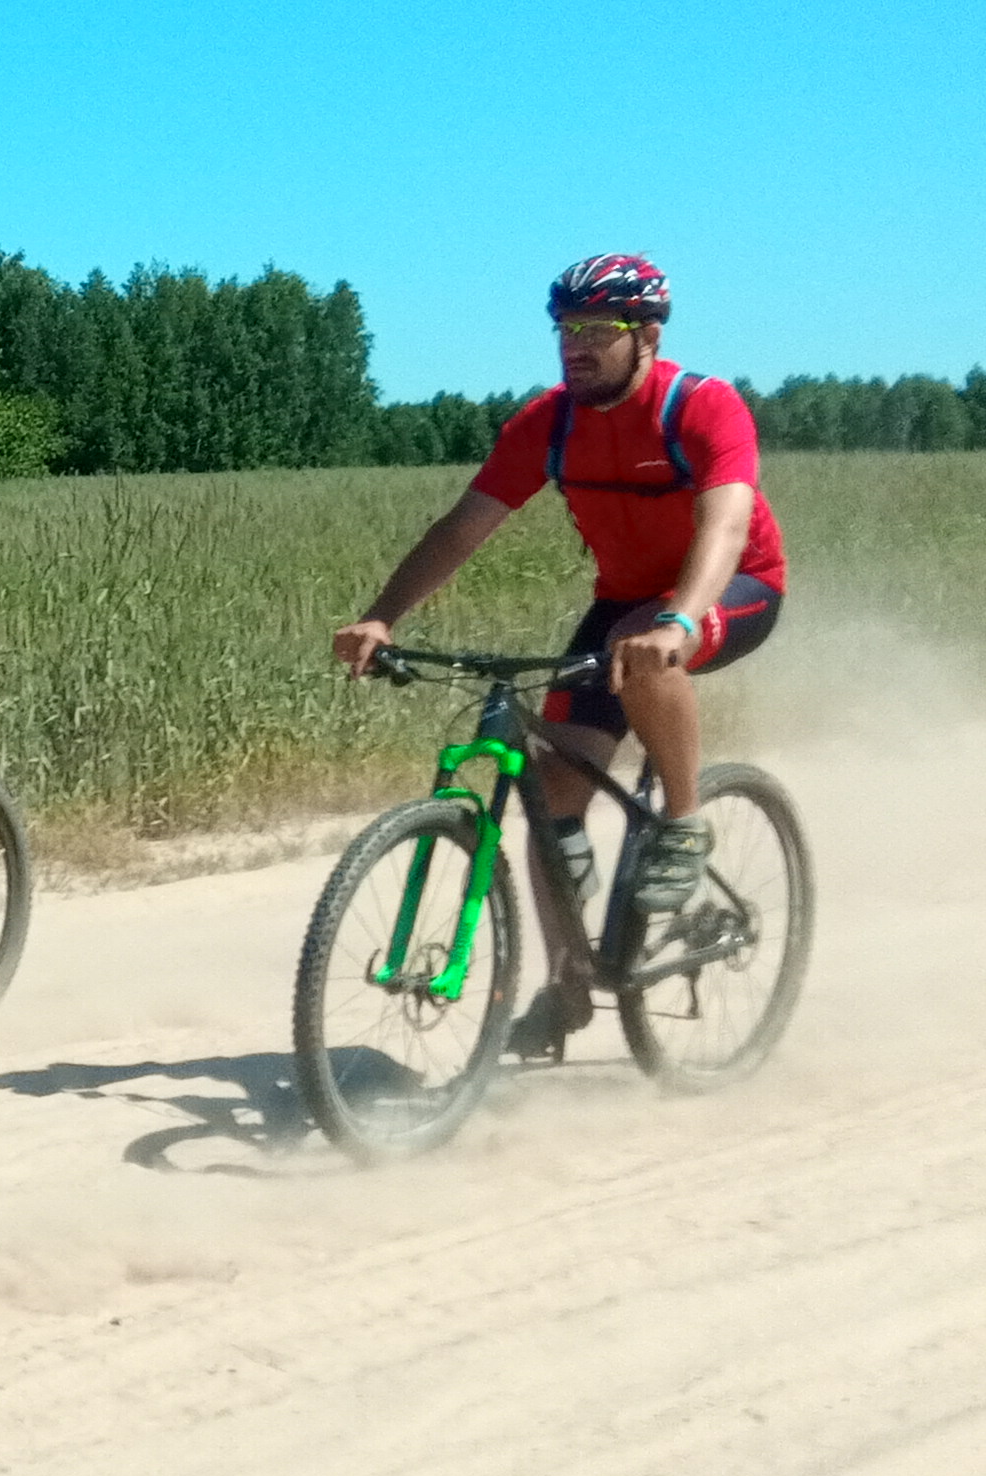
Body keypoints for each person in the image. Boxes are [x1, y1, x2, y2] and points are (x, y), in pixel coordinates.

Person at [329, 254, 789, 1059]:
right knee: (551, 796)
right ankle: (569, 984)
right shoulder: (549, 423)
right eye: (565, 329)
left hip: (731, 586)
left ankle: (683, 824)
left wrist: (678, 620)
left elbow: (723, 527)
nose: (574, 345)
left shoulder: (701, 406)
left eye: (596, 330)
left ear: (647, 336)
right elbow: (463, 527)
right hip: (622, 606)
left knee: (643, 649)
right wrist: (381, 616)